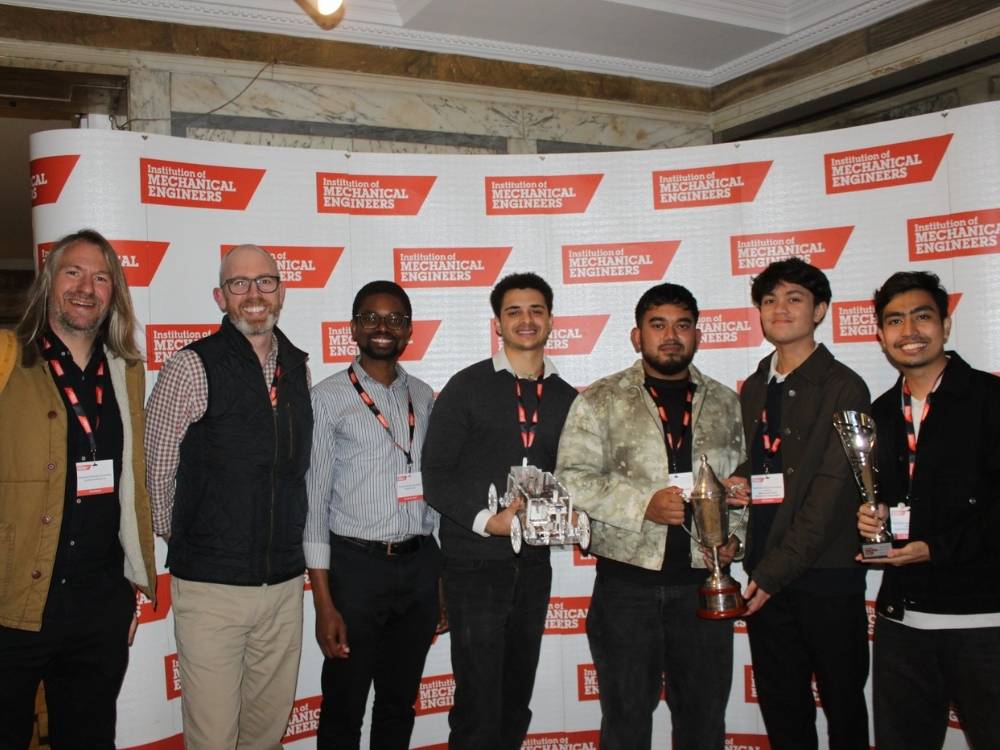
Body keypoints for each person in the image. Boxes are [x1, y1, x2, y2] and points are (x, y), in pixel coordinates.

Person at [556, 283, 747, 750]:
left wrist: (735, 539)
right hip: (626, 589)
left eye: (682, 325)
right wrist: (644, 503)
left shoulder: (726, 402)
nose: (671, 336)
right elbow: (571, 479)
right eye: (657, 325)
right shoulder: (601, 399)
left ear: (697, 334)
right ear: (636, 336)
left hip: (704, 586)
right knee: (625, 723)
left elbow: (740, 482)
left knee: (704, 724)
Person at [145, 244, 313, 750]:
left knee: (265, 734)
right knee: (214, 738)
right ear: (221, 297)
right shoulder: (190, 366)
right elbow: (156, 471)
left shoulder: (298, 369)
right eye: (239, 284)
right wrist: (197, 538)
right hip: (212, 589)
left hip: (283, 585)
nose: (254, 293)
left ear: (282, 291)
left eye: (265, 281)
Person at [0, 229, 157, 750]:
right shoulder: (8, 359)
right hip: (14, 600)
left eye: (101, 278)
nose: (86, 288)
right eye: (73, 272)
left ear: (114, 294)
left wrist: (129, 586)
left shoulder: (126, 372)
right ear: (49, 283)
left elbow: (130, 486)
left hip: (98, 605)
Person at [422, 272, 577, 750]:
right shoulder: (467, 386)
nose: (525, 320)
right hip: (474, 564)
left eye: (535, 310)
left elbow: (577, 475)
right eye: (514, 312)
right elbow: (435, 475)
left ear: (550, 320)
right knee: (477, 704)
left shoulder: (568, 398)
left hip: (533, 563)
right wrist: (486, 522)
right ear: (498, 324)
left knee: (515, 698)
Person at [858, 271, 1000, 749]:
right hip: (902, 626)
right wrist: (868, 520)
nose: (909, 331)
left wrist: (934, 549)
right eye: (894, 320)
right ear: (881, 336)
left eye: (922, 317)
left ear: (945, 324)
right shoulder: (878, 415)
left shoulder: (990, 400)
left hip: (985, 624)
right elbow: (880, 499)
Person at [736, 257, 870, 750]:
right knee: (783, 709)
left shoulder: (844, 386)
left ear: (820, 310)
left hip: (824, 575)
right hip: (765, 571)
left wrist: (771, 575)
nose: (780, 309)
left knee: (843, 706)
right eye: (769, 300)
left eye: (794, 298)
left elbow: (831, 496)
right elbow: (762, 463)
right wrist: (738, 481)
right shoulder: (755, 386)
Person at [304, 281, 440, 749]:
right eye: (371, 318)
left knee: (398, 704)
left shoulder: (424, 396)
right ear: (354, 328)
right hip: (355, 570)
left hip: (419, 567)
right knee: (344, 704)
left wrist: (439, 578)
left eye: (395, 319)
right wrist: (324, 603)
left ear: (409, 331)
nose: (383, 327)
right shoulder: (327, 398)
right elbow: (314, 503)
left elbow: (435, 493)